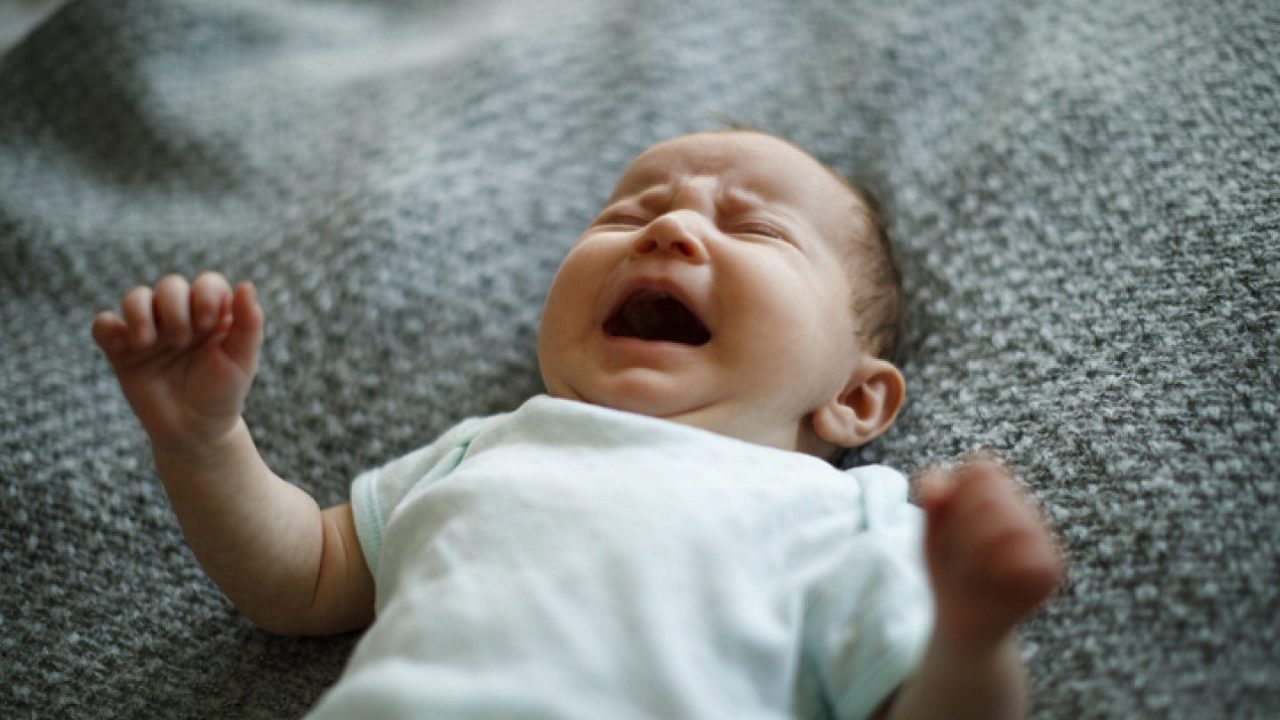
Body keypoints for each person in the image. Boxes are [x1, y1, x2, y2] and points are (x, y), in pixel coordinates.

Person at [91, 130, 1064, 719]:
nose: (667, 230)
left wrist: (969, 640)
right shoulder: (489, 445)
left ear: (854, 399)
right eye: (625, 215)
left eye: (755, 228)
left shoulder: (846, 519)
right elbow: (296, 579)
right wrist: (206, 441)